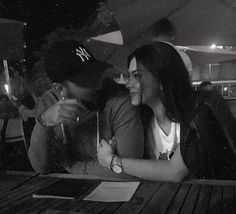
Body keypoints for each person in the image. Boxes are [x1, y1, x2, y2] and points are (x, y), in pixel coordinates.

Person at [98, 42, 236, 182]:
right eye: (129, 76)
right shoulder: (144, 122)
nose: (128, 84)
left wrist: (112, 160)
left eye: (136, 76)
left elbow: (175, 171)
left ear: (163, 79)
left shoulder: (198, 111)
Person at [28, 40, 143, 178]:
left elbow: (129, 171)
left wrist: (73, 167)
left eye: (96, 73)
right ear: (59, 89)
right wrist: (43, 123)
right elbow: (41, 167)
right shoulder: (49, 103)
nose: (99, 83)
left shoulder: (119, 99)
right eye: (88, 81)